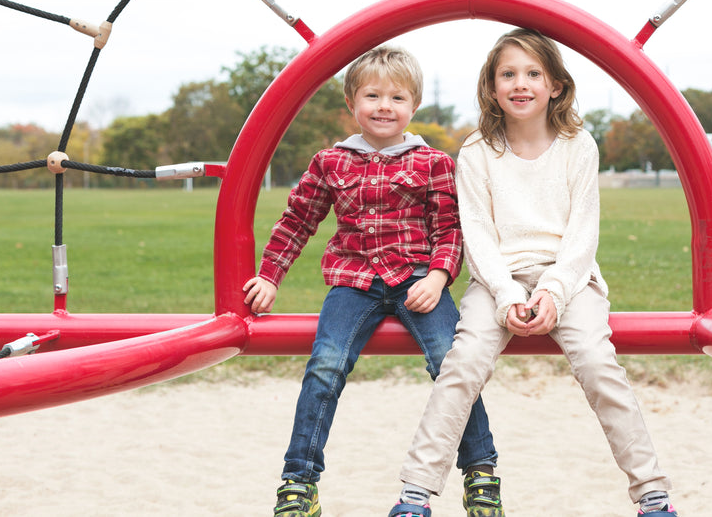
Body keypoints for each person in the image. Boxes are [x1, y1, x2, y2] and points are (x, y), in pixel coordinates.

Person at [390, 28, 677, 516]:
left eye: (532, 74)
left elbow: (582, 235)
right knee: (461, 365)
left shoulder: (578, 145)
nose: (520, 84)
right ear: (492, 86)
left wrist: (553, 293)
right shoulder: (478, 150)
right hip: (496, 279)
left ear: (555, 86)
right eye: (508, 74)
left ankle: (652, 494)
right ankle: (416, 493)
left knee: (597, 362)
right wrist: (505, 296)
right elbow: (476, 235)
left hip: (569, 279)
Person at [243, 45, 502, 517]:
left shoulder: (434, 163)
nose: (385, 106)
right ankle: (299, 480)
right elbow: (297, 221)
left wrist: (440, 275)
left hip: (419, 280)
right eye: (373, 96)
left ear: (413, 106)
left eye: (397, 98)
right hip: (354, 280)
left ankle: (480, 471)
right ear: (352, 103)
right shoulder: (331, 162)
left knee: (452, 362)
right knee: (325, 365)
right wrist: (269, 275)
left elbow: (451, 228)